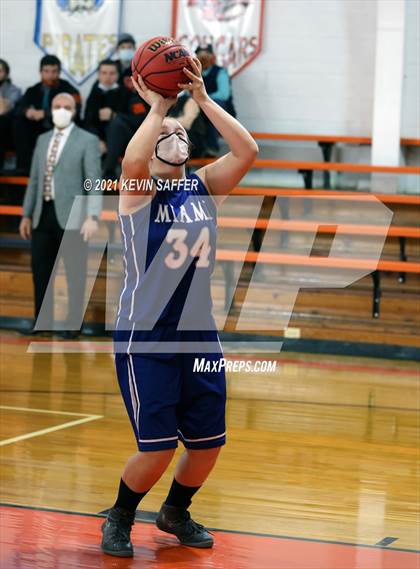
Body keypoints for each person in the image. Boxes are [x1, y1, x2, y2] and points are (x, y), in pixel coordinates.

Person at [101, 56, 258, 557]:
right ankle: (121, 516)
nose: (174, 134)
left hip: (198, 334)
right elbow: (131, 162)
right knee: (158, 448)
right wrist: (159, 108)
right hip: (146, 335)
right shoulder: (138, 193)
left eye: (179, 131)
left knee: (209, 444)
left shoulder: (203, 188)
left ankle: (174, 512)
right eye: (164, 133)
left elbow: (247, 150)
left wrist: (202, 100)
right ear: (150, 145)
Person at [19, 93, 102, 337]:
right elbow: (34, 180)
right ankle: (42, 321)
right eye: (57, 106)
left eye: (67, 107)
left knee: (75, 273)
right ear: (51, 109)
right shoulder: (42, 139)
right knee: (40, 271)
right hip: (42, 213)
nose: (62, 110)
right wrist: (26, 214)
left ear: (74, 111)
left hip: (74, 215)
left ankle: (73, 325)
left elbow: (93, 181)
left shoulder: (87, 140)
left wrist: (92, 216)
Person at [13, 55, 81, 174]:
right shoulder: (32, 90)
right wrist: (27, 111)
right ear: (40, 72)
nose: (50, 75)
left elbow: (75, 110)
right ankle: (24, 168)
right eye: (46, 71)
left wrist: (46, 113)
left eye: (54, 71)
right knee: (18, 122)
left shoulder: (69, 90)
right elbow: (19, 108)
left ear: (59, 73)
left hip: (57, 127)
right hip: (36, 129)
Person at [84, 59, 128, 153]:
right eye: (104, 73)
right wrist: (98, 140)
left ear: (118, 75)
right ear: (98, 75)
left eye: (112, 73)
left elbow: (135, 120)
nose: (108, 77)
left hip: (120, 141)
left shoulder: (125, 93)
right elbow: (88, 120)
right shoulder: (94, 92)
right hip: (97, 139)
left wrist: (114, 115)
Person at [0, 59, 21, 170]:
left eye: (0, 71)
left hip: (6, 131)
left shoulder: (14, 90)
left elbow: (2, 110)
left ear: (6, 73)